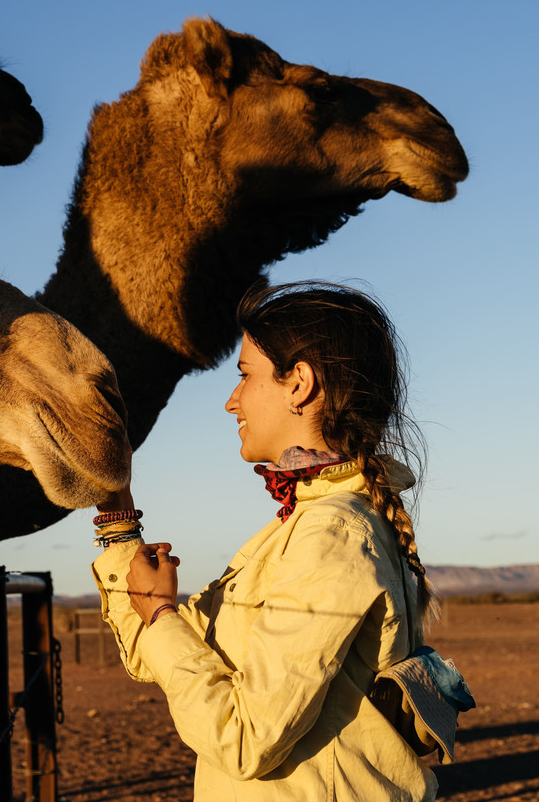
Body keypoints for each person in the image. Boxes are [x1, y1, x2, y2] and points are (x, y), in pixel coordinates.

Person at [91, 282, 458, 801]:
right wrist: (117, 515)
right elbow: (155, 655)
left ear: (300, 383)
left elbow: (243, 740)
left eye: (245, 376)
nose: (231, 400)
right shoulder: (305, 526)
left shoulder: (331, 537)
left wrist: (158, 611)